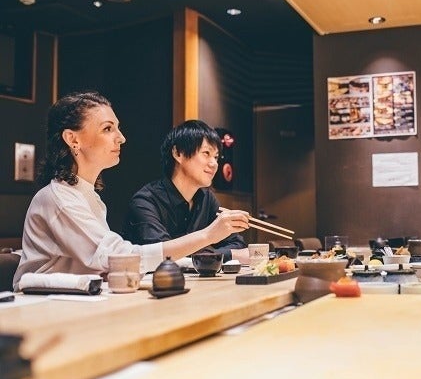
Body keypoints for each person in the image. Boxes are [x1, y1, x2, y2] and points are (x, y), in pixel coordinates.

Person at [12, 91, 249, 289]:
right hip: (43, 308)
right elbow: (118, 258)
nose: (121, 138)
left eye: (118, 128)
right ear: (73, 139)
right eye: (108, 129)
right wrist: (208, 235)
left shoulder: (88, 195)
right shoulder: (60, 198)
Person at [121, 120, 246, 262]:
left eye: (216, 157)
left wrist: (207, 255)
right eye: (206, 153)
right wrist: (210, 247)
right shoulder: (145, 202)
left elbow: (237, 244)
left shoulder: (206, 198)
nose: (214, 164)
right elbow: (161, 257)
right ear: (178, 153)